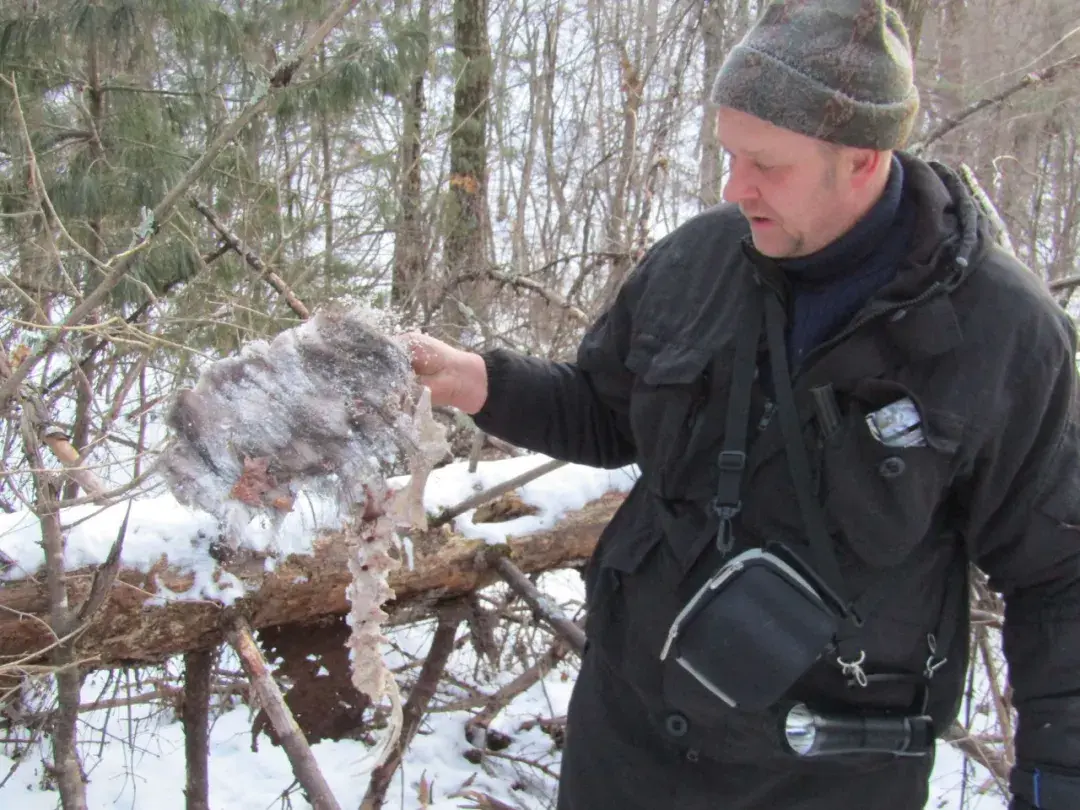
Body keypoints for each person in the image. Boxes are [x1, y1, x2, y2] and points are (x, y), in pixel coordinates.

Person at [403, 1, 1080, 808]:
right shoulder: (700, 259)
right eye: (729, 156)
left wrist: (1056, 784)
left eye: (767, 165)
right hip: (627, 743)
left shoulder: (1002, 334)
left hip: (823, 774)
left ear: (863, 159)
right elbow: (605, 410)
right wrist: (473, 380)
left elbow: (1061, 577)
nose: (736, 188)